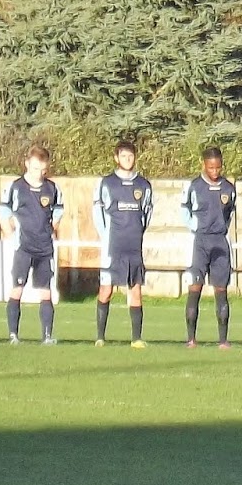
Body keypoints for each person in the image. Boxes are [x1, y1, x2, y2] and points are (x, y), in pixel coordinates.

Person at [0, 147, 64, 345]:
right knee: (17, 288)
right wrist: (9, 232)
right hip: (24, 247)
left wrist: (51, 228)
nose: (39, 173)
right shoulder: (15, 187)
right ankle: (13, 336)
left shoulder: (52, 188)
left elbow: (58, 213)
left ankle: (47, 336)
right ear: (27, 164)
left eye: (43, 170)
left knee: (46, 291)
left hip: (44, 248)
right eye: (35, 168)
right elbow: (4, 211)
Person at [93, 140, 154, 348]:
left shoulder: (144, 185)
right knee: (106, 289)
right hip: (113, 246)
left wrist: (138, 232)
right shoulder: (107, 183)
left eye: (130, 156)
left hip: (133, 246)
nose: (127, 159)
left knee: (135, 290)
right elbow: (97, 212)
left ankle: (136, 338)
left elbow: (147, 214)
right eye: (124, 156)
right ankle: (100, 337)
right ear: (116, 158)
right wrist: (106, 236)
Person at [182, 147, 237, 349]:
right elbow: (184, 209)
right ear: (203, 165)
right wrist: (194, 227)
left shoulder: (228, 188)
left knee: (221, 290)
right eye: (211, 167)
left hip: (220, 243)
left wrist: (221, 229)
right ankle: (191, 339)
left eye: (218, 167)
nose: (215, 171)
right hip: (200, 242)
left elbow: (230, 212)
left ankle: (223, 340)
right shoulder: (194, 186)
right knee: (195, 287)